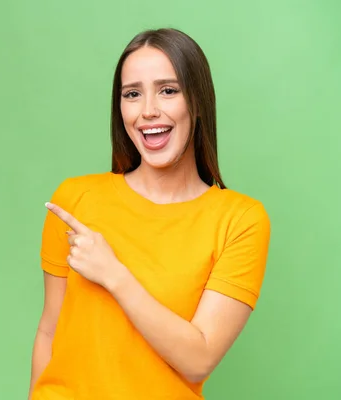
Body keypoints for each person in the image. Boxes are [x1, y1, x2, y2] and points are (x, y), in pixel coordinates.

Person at [27, 28, 272, 400]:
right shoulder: (75, 199)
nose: (148, 111)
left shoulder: (240, 220)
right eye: (132, 94)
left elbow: (198, 358)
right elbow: (49, 329)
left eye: (168, 90)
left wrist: (113, 274)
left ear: (199, 101)